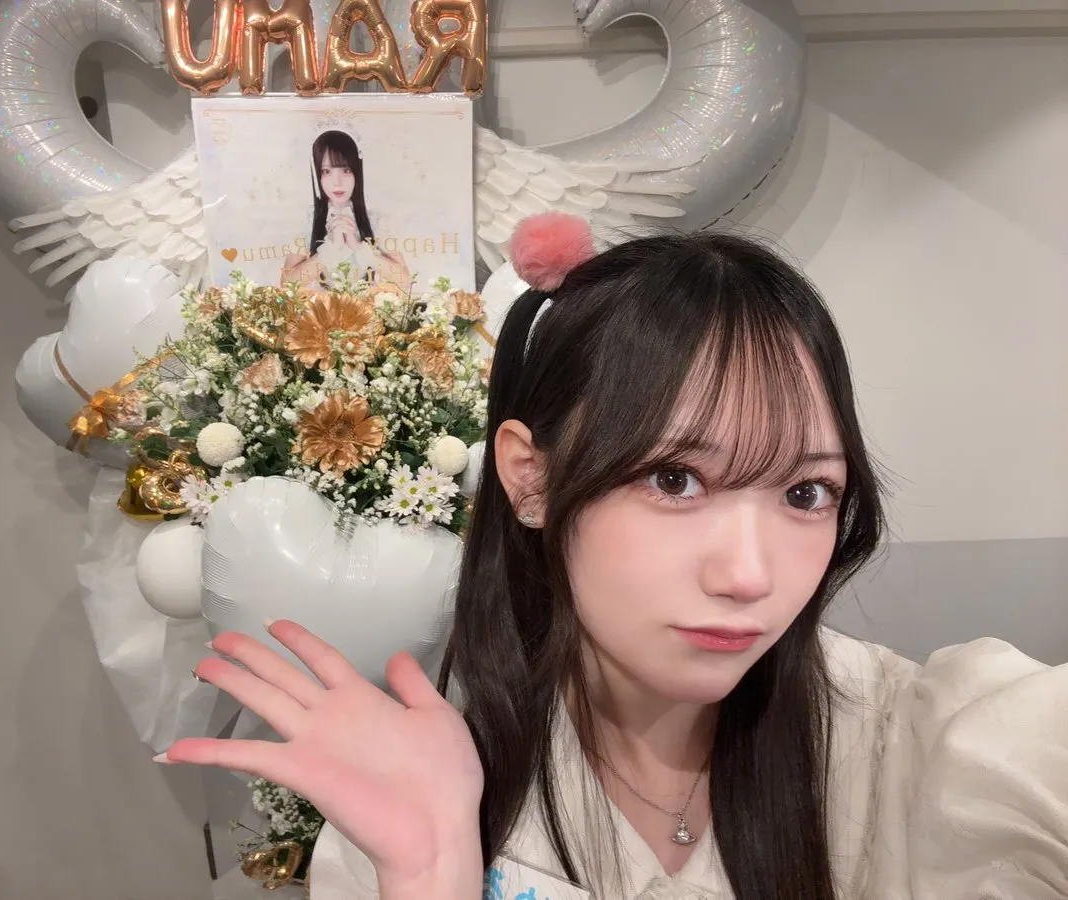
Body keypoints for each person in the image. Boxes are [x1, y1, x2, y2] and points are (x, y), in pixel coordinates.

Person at [158, 214, 1068, 899]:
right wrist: (433, 871)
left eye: (805, 493)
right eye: (675, 479)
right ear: (531, 479)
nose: (750, 577)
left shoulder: (914, 741)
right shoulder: (423, 795)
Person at [281, 129, 411, 290]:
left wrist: (358, 247)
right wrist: (330, 250)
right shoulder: (309, 221)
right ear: (317, 175)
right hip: (320, 305)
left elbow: (404, 280)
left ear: (357, 172)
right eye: (326, 171)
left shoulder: (375, 221)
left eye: (346, 170)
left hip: (368, 304)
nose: (337, 182)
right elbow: (286, 284)